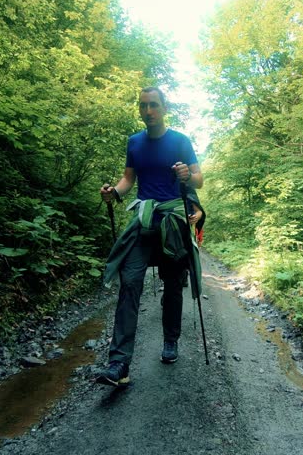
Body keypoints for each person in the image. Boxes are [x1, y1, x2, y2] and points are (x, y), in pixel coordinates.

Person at [97, 87, 203, 387]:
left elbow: (199, 179)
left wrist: (187, 175)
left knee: (173, 283)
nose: (148, 111)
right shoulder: (134, 142)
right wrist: (114, 193)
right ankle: (119, 363)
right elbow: (128, 178)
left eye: (154, 105)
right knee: (130, 281)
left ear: (164, 108)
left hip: (173, 222)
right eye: (143, 105)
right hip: (143, 222)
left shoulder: (180, 141)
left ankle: (170, 340)